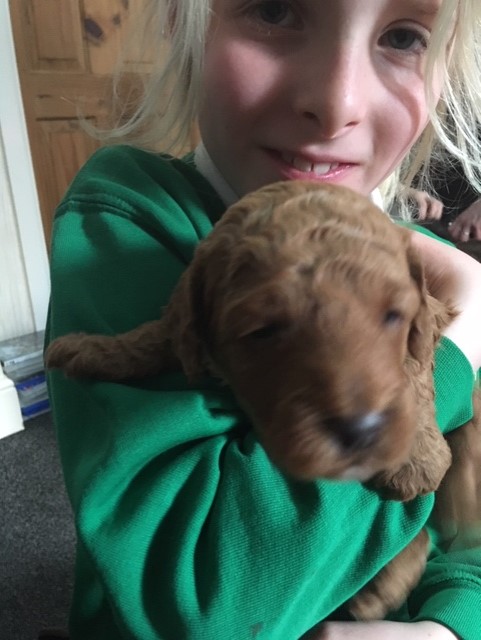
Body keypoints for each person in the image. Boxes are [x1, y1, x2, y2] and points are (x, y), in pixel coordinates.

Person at [45, 1, 481, 639]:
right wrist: (459, 345)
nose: (336, 103)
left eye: (404, 37)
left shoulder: (410, 257)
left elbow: (467, 514)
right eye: (274, 10)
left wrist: (450, 624)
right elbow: (200, 607)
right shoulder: (130, 225)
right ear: (183, 23)